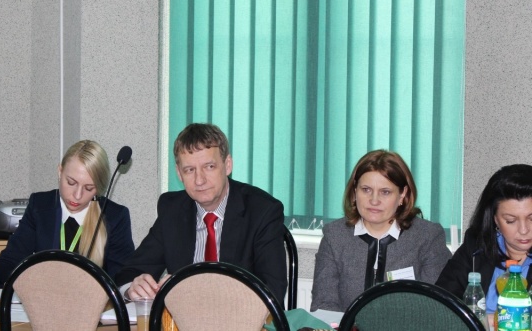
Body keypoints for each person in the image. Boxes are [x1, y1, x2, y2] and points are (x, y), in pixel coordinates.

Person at [114, 123, 287, 303]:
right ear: (179, 174)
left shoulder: (262, 211)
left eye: (209, 166)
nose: (199, 180)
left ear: (227, 165)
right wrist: (132, 288)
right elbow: (129, 272)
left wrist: (195, 291)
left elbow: (272, 290)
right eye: (189, 170)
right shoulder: (172, 210)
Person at [310, 149, 451, 312]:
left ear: (402, 194)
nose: (374, 200)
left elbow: (435, 308)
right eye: (366, 189)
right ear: (355, 191)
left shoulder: (428, 237)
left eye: (385, 192)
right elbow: (323, 305)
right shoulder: (334, 236)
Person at [0, 140, 134, 286]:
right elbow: (2, 267)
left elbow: (122, 279)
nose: (77, 195)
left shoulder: (115, 217)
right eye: (71, 182)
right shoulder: (40, 206)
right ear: (60, 172)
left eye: (89, 188)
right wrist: (35, 284)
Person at [436, 164, 532, 316]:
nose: (524, 230)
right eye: (511, 220)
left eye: (531, 218)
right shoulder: (476, 247)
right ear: (495, 219)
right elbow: (441, 301)